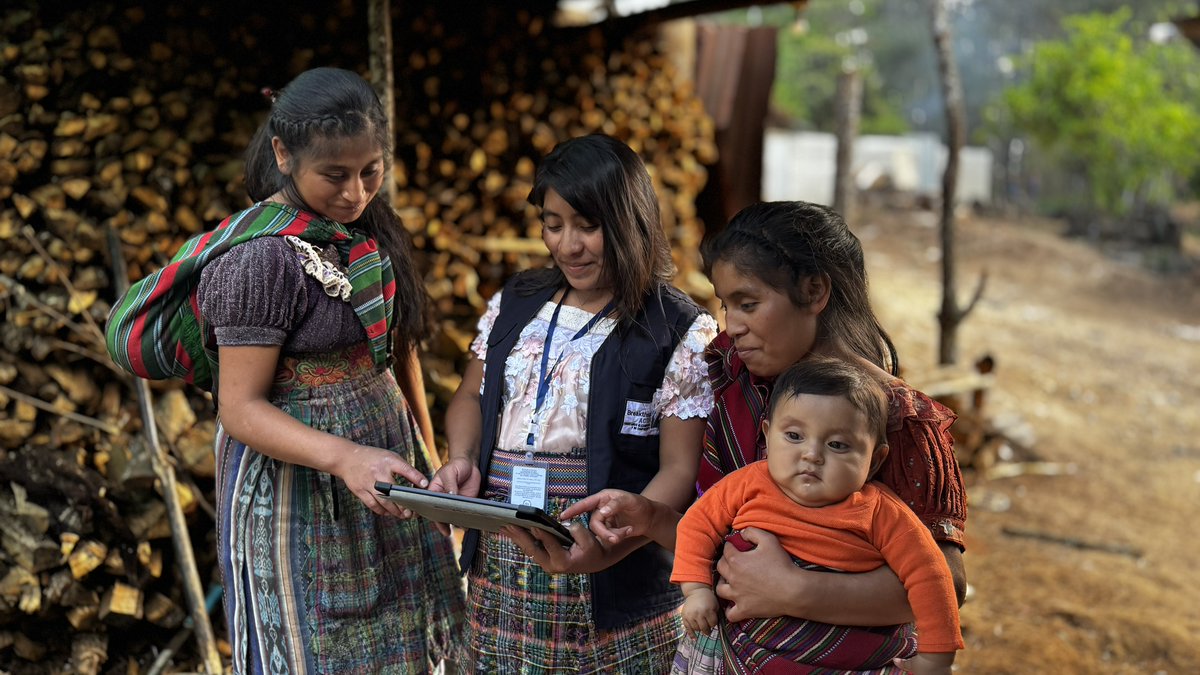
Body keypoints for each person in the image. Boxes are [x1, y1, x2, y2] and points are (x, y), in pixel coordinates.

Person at [561, 200, 967, 673]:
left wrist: (794, 589)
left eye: (749, 303)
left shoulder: (901, 423)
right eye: (726, 305)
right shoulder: (734, 382)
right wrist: (648, 517)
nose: (733, 326)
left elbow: (945, 584)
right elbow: (723, 541)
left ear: (814, 291)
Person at [191, 67, 464, 673]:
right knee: (318, 643)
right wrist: (345, 457)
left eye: (371, 171)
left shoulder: (364, 233)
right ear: (284, 156)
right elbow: (239, 408)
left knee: (408, 634)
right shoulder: (260, 261)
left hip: (387, 462)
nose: (356, 192)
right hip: (298, 487)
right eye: (335, 176)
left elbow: (398, 352)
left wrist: (429, 453)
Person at [429, 133, 718, 672]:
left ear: (631, 222)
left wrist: (607, 546)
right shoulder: (517, 302)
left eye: (588, 226)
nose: (567, 245)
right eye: (553, 224)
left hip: (609, 561)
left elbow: (680, 468)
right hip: (502, 561)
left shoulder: (676, 329)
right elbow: (472, 392)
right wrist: (463, 457)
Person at [672, 357, 962, 674]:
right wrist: (697, 590)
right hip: (748, 649)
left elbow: (931, 576)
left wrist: (936, 658)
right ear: (767, 437)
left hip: (852, 659)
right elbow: (696, 527)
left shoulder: (882, 513)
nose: (812, 455)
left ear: (875, 459)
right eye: (794, 436)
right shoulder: (746, 484)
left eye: (837, 444)